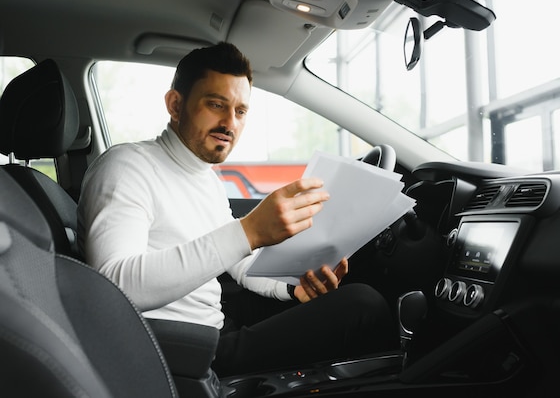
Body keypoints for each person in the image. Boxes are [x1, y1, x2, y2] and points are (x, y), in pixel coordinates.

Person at [77, 42, 396, 378]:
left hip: (215, 320)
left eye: (240, 111)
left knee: (343, 292)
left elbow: (237, 261)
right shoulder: (126, 167)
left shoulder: (205, 178)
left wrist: (291, 288)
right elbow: (114, 286)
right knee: (363, 305)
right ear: (175, 104)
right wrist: (250, 231)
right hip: (182, 350)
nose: (229, 123)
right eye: (216, 105)